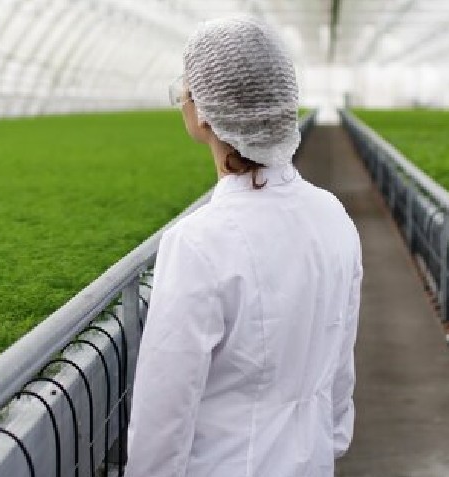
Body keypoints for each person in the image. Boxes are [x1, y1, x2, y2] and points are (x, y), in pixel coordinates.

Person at [126, 17, 363, 477]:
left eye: (186, 91)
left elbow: (165, 409)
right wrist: (329, 439)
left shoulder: (198, 243)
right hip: (313, 460)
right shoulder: (332, 214)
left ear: (204, 112)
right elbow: (340, 359)